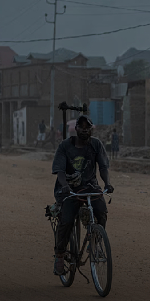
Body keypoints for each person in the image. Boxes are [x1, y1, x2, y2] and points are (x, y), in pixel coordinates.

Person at [51, 115, 114, 275]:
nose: (85, 130)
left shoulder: (96, 144)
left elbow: (103, 167)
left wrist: (107, 183)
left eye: (88, 127)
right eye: (81, 127)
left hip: (90, 187)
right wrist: (65, 186)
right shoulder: (65, 146)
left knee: (101, 212)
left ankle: (94, 242)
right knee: (66, 221)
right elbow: (59, 170)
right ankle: (59, 254)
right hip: (70, 189)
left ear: (91, 129)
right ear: (76, 129)